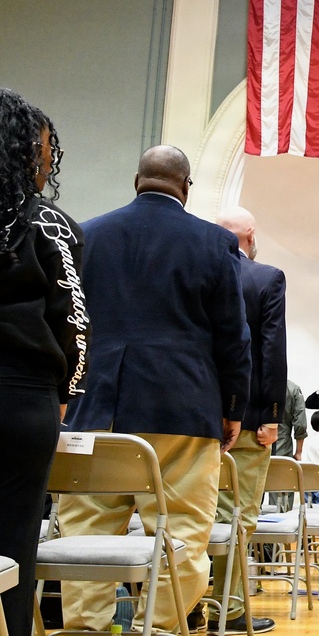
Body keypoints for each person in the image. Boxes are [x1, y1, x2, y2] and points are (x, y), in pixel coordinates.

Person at [59, 145, 250, 634]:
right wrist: (233, 406)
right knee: (180, 534)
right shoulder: (214, 243)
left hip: (96, 405)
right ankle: (162, 628)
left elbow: (68, 326)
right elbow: (233, 335)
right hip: (181, 407)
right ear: (186, 187)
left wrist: (67, 396)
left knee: (86, 531)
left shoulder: (86, 235)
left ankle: (85, 629)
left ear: (136, 180)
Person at [0, 91, 89, 636]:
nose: (49, 159)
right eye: (45, 148)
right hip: (22, 395)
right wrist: (64, 394)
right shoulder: (51, 225)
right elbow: (74, 320)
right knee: (14, 539)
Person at [198, 207, 287, 634]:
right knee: (237, 514)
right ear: (250, 234)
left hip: (196, 415)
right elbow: (271, 350)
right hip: (248, 419)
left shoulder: (198, 271)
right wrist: (272, 415)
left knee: (191, 514)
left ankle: (187, 603)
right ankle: (228, 608)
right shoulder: (265, 277)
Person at [276, 380, 307, 462]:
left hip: (256, 447)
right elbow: (300, 424)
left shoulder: (254, 383)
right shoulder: (293, 389)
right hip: (282, 449)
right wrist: (298, 452)